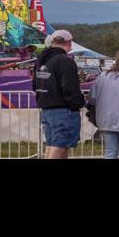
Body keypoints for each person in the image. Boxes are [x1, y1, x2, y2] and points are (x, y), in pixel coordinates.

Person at [33, 29, 85, 159]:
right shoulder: (64, 61)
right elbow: (70, 87)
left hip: (46, 109)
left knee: (52, 145)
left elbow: (35, 85)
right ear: (69, 43)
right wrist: (77, 103)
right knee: (60, 146)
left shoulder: (41, 61)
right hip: (63, 110)